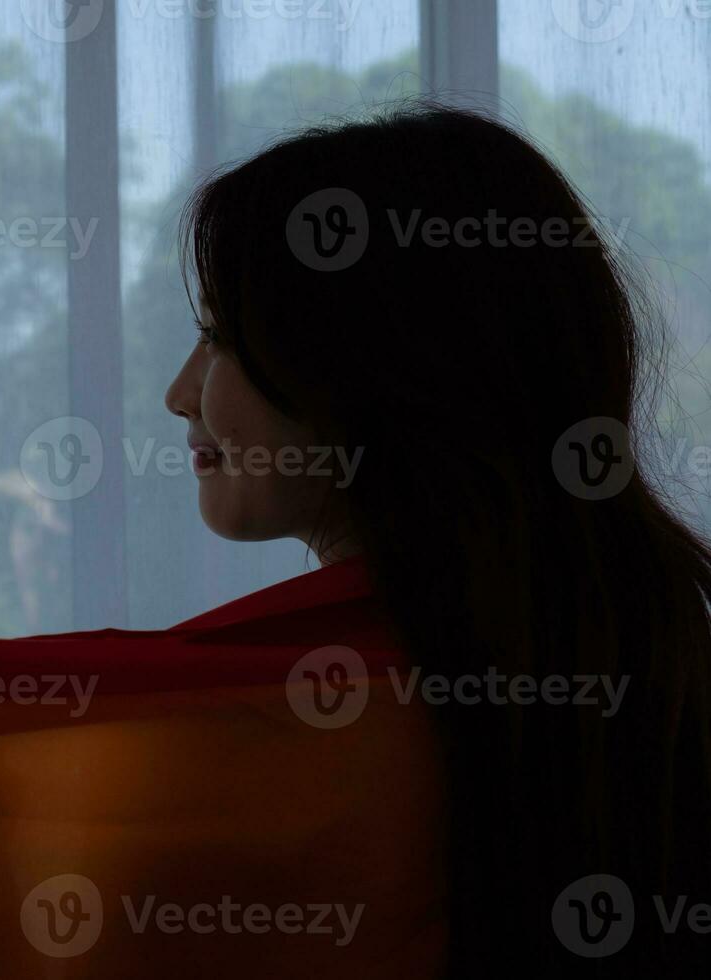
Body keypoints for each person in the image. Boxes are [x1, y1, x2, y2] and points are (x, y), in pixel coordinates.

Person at [165, 98, 711, 975]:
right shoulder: (643, 652)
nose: (179, 393)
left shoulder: (306, 721)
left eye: (219, 338)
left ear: (370, 366)